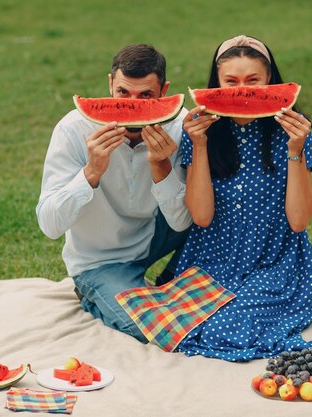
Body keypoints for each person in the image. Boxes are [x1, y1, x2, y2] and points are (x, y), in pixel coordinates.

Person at [176, 35, 312, 361]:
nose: (242, 91)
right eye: (231, 82)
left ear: (270, 80)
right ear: (216, 83)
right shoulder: (200, 133)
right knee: (186, 324)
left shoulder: (293, 132)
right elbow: (201, 216)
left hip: (277, 264)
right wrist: (199, 146)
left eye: (252, 81)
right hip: (211, 261)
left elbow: (299, 221)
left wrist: (295, 151)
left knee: (226, 325)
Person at [36, 44, 192, 343]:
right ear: (110, 85)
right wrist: (91, 172)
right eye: (123, 93)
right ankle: (94, 290)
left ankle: (173, 279)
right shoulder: (73, 130)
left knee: (216, 203)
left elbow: (183, 222)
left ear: (164, 91)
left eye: (146, 96)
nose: (133, 107)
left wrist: (161, 167)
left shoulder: (178, 125)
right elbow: (49, 225)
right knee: (152, 328)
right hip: (100, 260)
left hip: (157, 234)